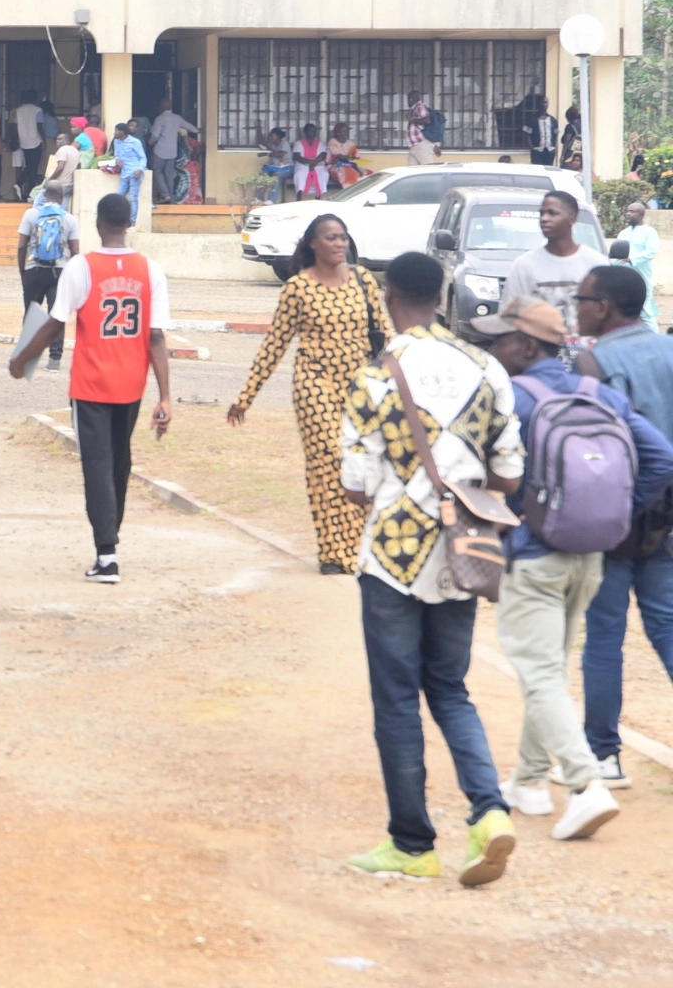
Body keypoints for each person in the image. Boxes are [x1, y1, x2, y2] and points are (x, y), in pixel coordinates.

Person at [333, 250, 521, 885]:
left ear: (388, 296)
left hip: (391, 557)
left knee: (396, 701)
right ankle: (490, 813)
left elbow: (355, 485)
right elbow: (509, 473)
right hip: (463, 553)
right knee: (451, 688)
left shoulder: (375, 376)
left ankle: (412, 844)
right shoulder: (487, 366)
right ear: (443, 294)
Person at [475, 294, 673, 842]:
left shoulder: (513, 396)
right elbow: (660, 458)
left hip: (534, 555)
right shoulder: (597, 392)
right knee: (551, 670)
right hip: (590, 557)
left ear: (527, 344)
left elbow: (480, 469)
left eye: (502, 338)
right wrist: (617, 513)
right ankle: (531, 782)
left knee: (539, 672)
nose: (495, 347)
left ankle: (587, 785)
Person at [7, 194, 172, 584]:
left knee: (97, 465)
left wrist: (20, 360)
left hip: (91, 385)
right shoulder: (151, 270)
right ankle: (109, 545)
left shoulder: (81, 267)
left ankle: (106, 555)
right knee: (119, 462)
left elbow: (53, 325)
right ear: (128, 222)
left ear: (98, 224)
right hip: (131, 386)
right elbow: (156, 338)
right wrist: (165, 396)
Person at [229, 212, 390, 572]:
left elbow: (385, 336)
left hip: (361, 389)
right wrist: (246, 397)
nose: (338, 244)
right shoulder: (298, 288)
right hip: (314, 385)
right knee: (327, 464)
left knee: (362, 465)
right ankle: (334, 553)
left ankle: (358, 550)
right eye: (331, 237)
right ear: (313, 244)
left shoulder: (363, 281)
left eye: (342, 237)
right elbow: (275, 345)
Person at [576, 263, 673, 788]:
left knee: (605, 637)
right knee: (668, 626)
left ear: (604, 307)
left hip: (616, 518)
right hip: (669, 519)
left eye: (582, 298)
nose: (577, 305)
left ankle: (604, 756)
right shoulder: (670, 350)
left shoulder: (592, 363)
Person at [503, 189, 607, 342]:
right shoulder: (524, 265)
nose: (544, 219)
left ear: (572, 219)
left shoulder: (597, 264)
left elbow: (607, 318)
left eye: (552, 213)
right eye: (542, 213)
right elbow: (509, 320)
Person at [14, 183, 75, 371]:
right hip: (59, 272)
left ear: (45, 194)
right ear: (62, 195)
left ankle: (27, 359)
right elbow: (76, 251)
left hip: (34, 270)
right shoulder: (70, 219)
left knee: (31, 312)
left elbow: (22, 246)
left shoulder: (31, 215)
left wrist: (23, 270)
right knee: (57, 315)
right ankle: (54, 360)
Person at [619, 199, 659, 329]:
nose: (628, 214)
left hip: (642, 278)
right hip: (624, 279)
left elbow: (651, 252)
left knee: (646, 312)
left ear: (641, 215)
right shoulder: (623, 233)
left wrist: (631, 258)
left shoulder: (649, 232)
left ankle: (656, 340)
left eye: (632, 211)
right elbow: (616, 256)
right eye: (627, 211)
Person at [148, 96, 198, 200]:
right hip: (172, 151)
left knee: (157, 171)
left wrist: (150, 143)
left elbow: (155, 135)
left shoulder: (160, 118)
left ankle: (165, 194)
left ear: (161, 107)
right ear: (170, 107)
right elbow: (189, 126)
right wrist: (198, 131)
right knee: (169, 174)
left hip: (160, 150)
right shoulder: (177, 118)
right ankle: (171, 196)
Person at [11, 89, 45, 195]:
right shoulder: (38, 110)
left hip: (24, 142)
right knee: (33, 168)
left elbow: (15, 127)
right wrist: (44, 140)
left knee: (30, 166)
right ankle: (27, 191)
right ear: (35, 98)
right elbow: (39, 126)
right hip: (35, 141)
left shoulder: (18, 110)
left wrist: (17, 138)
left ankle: (20, 186)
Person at [110, 121, 147, 208]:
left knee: (133, 199)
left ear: (122, 132)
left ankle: (132, 221)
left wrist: (140, 169)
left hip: (134, 173)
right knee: (118, 197)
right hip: (124, 173)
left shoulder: (135, 142)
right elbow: (117, 155)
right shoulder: (116, 142)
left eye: (116, 131)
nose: (114, 133)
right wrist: (117, 160)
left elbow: (142, 157)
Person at [292, 122, 328, 199]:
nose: (314, 133)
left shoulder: (320, 143)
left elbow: (323, 154)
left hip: (318, 164)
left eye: (314, 131)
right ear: (306, 132)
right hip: (303, 164)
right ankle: (299, 196)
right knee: (299, 174)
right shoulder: (299, 143)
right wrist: (309, 162)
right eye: (311, 131)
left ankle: (318, 196)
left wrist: (314, 163)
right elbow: (297, 156)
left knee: (323, 174)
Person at [325, 121, 363, 189]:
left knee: (368, 173)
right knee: (348, 173)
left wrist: (356, 163)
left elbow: (356, 157)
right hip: (335, 165)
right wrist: (351, 158)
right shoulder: (333, 142)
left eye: (347, 131)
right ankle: (349, 192)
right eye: (344, 131)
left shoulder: (350, 143)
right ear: (338, 133)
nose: (347, 133)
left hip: (350, 165)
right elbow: (339, 157)